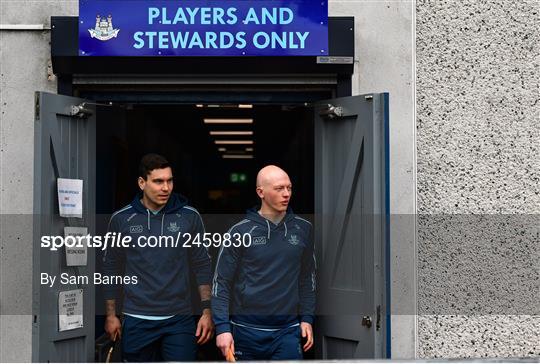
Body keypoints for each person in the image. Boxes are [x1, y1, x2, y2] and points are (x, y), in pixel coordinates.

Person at [102, 153, 214, 362]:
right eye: (158, 181)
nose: (166, 188)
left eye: (169, 181)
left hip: (179, 320)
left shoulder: (189, 217)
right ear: (142, 183)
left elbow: (202, 266)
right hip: (136, 319)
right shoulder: (121, 219)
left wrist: (207, 312)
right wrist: (111, 315)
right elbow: (111, 269)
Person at [212, 165, 316, 360]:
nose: (286, 194)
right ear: (261, 192)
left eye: (289, 188)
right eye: (279, 189)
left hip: (288, 331)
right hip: (245, 331)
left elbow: (307, 278)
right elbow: (221, 282)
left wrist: (307, 319)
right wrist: (222, 328)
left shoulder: (303, 229)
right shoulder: (239, 232)